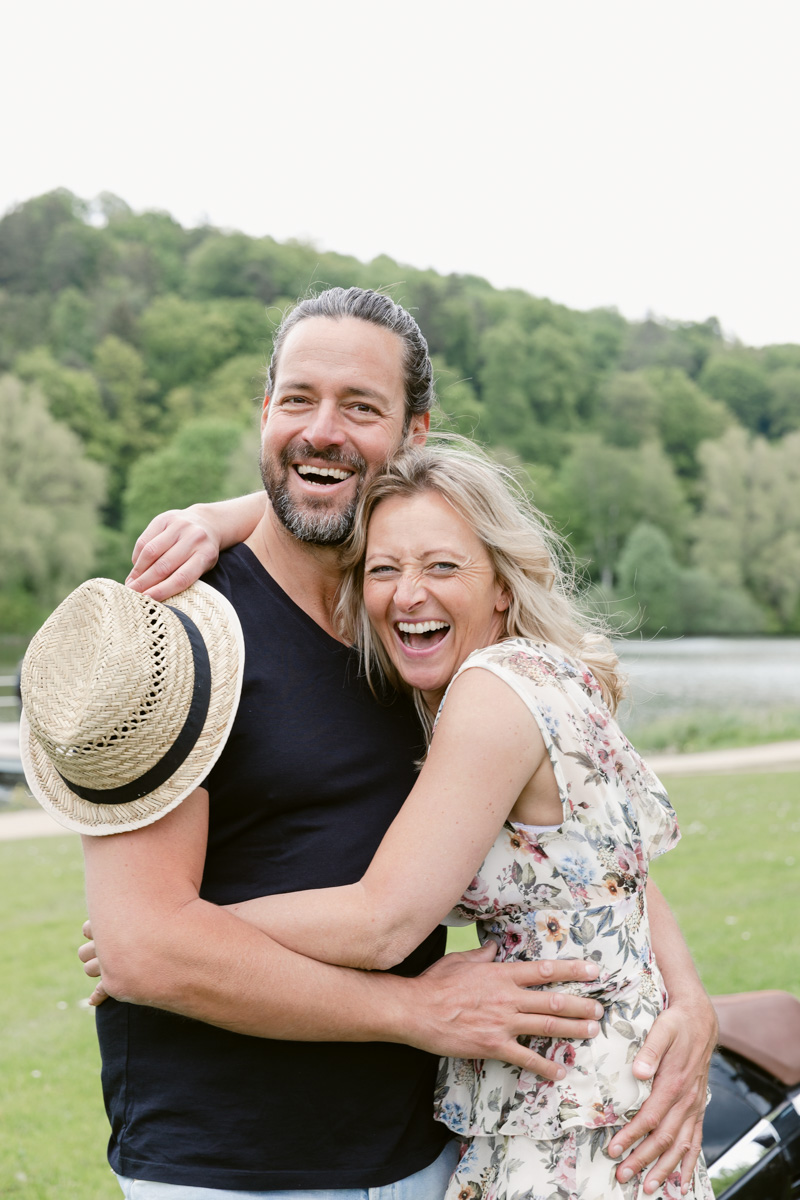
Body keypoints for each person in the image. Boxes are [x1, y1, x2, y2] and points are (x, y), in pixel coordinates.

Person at [78, 289, 715, 1196]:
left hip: (429, 1149)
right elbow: (143, 949)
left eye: (361, 407)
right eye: (298, 399)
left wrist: (689, 999)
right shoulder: (174, 637)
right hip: (235, 1163)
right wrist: (409, 1008)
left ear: (414, 433)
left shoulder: (423, 642)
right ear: (265, 411)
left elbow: (590, 859)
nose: (322, 430)